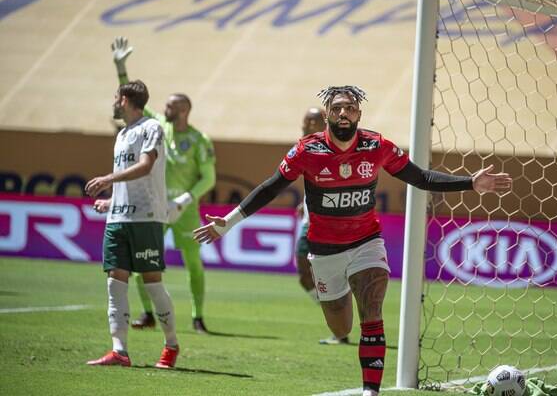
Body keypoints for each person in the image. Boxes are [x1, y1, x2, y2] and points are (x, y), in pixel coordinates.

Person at [193, 86, 512, 395]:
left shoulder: (377, 146)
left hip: (366, 243)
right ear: (328, 114)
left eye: (350, 108)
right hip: (324, 251)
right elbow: (271, 187)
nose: (344, 113)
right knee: (341, 328)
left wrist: (470, 183)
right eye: (337, 108)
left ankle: (369, 391)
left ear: (359, 113)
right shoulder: (307, 150)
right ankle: (339, 306)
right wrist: (229, 221)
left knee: (372, 312)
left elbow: (421, 177)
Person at [111, 37, 216, 333]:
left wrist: (186, 198)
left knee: (194, 264)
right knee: (145, 263)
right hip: (155, 207)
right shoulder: (157, 125)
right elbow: (132, 101)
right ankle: (148, 313)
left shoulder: (199, 140)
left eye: (171, 106)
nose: (165, 109)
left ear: (184, 110)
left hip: (185, 209)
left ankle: (197, 317)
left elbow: (209, 177)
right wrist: (122, 69)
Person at [86, 80, 179, 368]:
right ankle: (119, 351)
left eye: (116, 97)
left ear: (125, 99)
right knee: (115, 282)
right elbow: (130, 182)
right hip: (118, 218)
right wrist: (112, 200)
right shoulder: (123, 133)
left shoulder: (151, 127)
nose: (113, 102)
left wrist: (107, 179)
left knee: (152, 283)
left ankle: (171, 344)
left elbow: (145, 167)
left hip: (146, 218)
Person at [294, 107, 350, 345]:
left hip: (327, 222)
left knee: (327, 275)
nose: (307, 123)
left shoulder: (332, 147)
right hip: (310, 219)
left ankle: (341, 325)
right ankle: (338, 317)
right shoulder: (305, 147)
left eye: (313, 120)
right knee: (304, 276)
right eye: (306, 119)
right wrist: (304, 202)